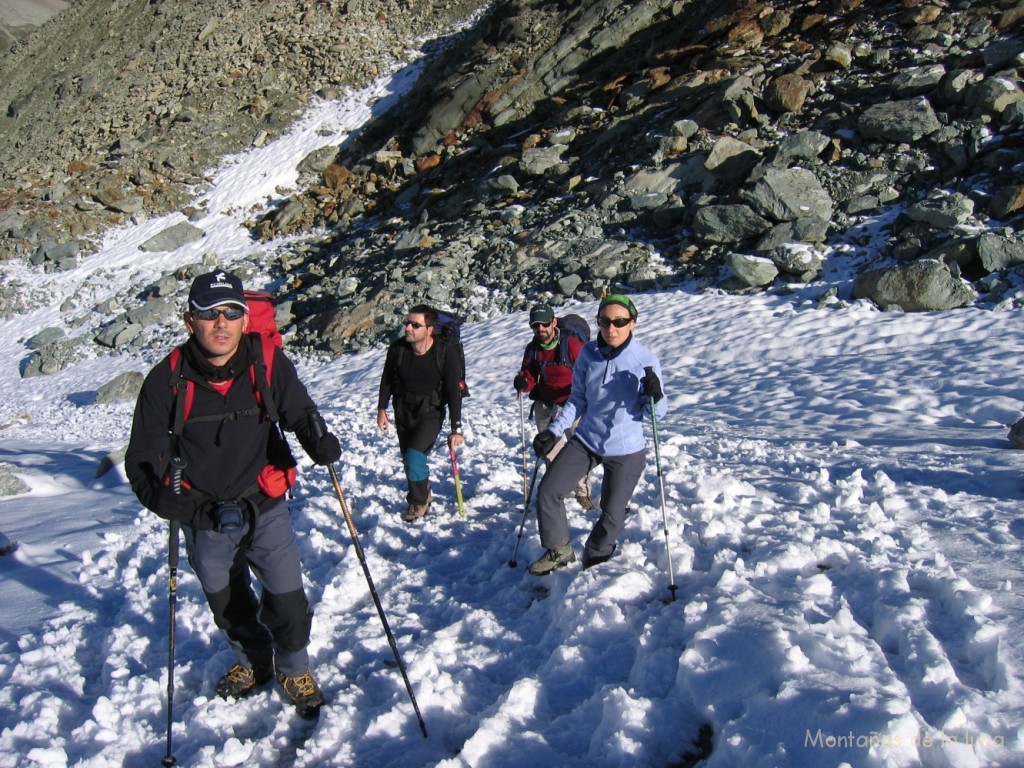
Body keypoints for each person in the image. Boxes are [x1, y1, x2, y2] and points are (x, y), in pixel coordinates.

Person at [125, 270, 342, 719]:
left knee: (288, 600)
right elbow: (141, 455)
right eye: (208, 313)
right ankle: (255, 661)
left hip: (263, 501)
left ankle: (293, 667)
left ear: (245, 320)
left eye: (231, 312)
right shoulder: (166, 379)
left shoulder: (265, 360)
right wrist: (155, 495)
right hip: (200, 511)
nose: (220, 323)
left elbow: (300, 409)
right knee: (227, 604)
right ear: (190, 322)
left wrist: (316, 438)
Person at [529, 293, 667, 575]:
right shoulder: (588, 354)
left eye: (620, 321)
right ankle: (559, 549)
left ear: (633, 324)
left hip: (627, 448)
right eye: (604, 321)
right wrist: (554, 432)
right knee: (549, 491)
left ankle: (597, 552)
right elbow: (578, 398)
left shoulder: (644, 360)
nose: (611, 328)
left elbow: (655, 415)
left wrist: (655, 396)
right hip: (587, 440)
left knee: (612, 513)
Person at [376, 303, 465, 522]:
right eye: (407, 323)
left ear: (429, 329)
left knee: (415, 457)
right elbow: (386, 380)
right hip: (403, 410)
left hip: (431, 411)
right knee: (408, 459)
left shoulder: (446, 352)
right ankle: (423, 489)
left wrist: (456, 428)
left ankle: (418, 502)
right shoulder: (397, 349)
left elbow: (454, 391)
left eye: (415, 325)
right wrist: (382, 409)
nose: (408, 328)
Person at [513, 302, 593, 510]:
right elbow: (529, 375)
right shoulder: (533, 349)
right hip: (546, 402)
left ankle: (583, 492)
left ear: (554, 322)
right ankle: (557, 490)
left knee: (578, 448)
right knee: (550, 449)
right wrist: (523, 381)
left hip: (573, 403)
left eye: (545, 324)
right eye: (535, 325)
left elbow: (590, 372)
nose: (541, 329)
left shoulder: (572, 345)